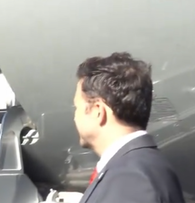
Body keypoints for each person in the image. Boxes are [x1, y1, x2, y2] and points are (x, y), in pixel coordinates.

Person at [73, 52, 185, 203]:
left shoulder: (131, 179)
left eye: (77, 107)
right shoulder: (140, 166)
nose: (75, 117)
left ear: (98, 110)